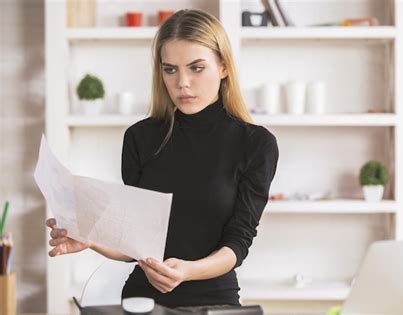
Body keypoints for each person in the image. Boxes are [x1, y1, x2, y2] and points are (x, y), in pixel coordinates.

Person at [46, 8, 279, 308]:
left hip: (212, 302)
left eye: (196, 67)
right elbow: (137, 242)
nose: (182, 82)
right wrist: (92, 238)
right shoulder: (140, 138)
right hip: (142, 301)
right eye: (170, 69)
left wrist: (188, 271)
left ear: (223, 67)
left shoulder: (255, 144)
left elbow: (238, 243)